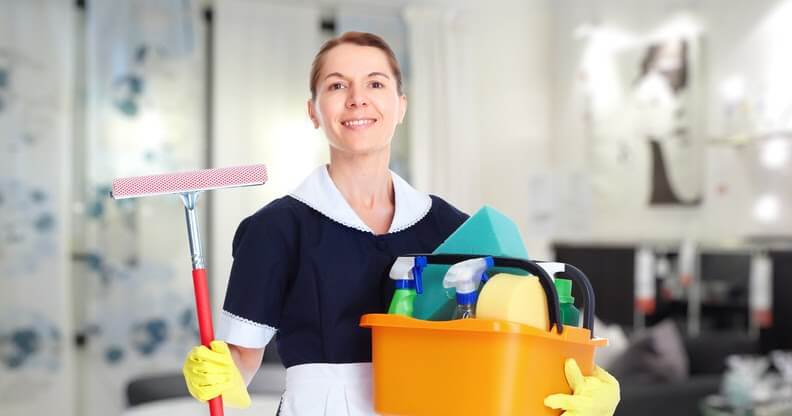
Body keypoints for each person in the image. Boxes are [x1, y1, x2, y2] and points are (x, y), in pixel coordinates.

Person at [181, 31, 619, 416]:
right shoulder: (274, 229)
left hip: (432, 404)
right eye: (337, 85)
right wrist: (219, 374)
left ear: (400, 105)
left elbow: (517, 337)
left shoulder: (453, 229)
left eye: (375, 83)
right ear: (313, 111)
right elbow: (241, 358)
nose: (357, 98)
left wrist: (580, 379)